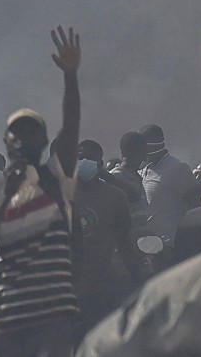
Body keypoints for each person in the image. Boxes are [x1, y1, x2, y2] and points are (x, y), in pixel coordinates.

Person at [0, 26, 82, 357]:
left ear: (44, 142)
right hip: (8, 318)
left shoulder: (56, 178)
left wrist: (70, 76)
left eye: (31, 132)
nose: (22, 138)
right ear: (5, 142)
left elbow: (71, 127)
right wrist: (5, 198)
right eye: (15, 133)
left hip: (54, 316)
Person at [71, 140, 142, 342]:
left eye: (90, 158)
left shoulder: (114, 197)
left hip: (102, 287)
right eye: (80, 157)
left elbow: (125, 243)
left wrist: (139, 281)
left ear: (100, 164)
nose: (84, 162)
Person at [138, 124, 199, 243]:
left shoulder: (177, 169)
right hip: (148, 244)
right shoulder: (143, 170)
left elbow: (196, 204)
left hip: (170, 244)